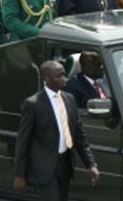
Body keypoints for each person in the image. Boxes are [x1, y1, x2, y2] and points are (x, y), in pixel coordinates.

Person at [14, 60, 100, 200]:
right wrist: (19, 175)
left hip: (65, 164)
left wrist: (91, 164)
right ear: (46, 79)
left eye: (64, 74)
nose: (64, 79)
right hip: (45, 168)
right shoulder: (33, 104)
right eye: (59, 76)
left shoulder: (70, 100)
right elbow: (23, 141)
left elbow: (79, 137)